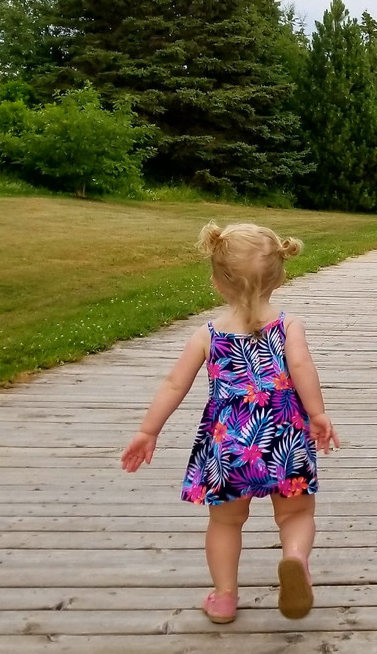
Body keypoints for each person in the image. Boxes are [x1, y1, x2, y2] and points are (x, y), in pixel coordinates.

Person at [121, 221, 339, 625]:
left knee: (225, 522)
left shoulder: (207, 335)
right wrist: (319, 415)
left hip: (228, 443)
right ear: (279, 276)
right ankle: (295, 559)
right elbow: (302, 367)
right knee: (296, 514)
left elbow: (174, 384)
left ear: (218, 283)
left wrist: (148, 430)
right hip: (284, 436)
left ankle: (224, 596)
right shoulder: (288, 326)